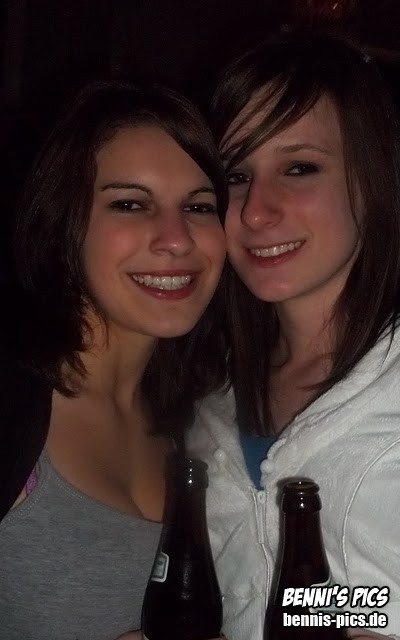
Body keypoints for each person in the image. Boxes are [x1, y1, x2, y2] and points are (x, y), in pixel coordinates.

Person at [187, 30, 400, 640]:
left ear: (371, 180)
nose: (256, 211)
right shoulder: (201, 392)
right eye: (235, 175)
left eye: (299, 168)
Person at [0, 80, 228, 640]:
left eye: (199, 207)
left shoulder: (200, 422)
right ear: (64, 224)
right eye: (130, 204)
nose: (176, 239)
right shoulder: (12, 402)